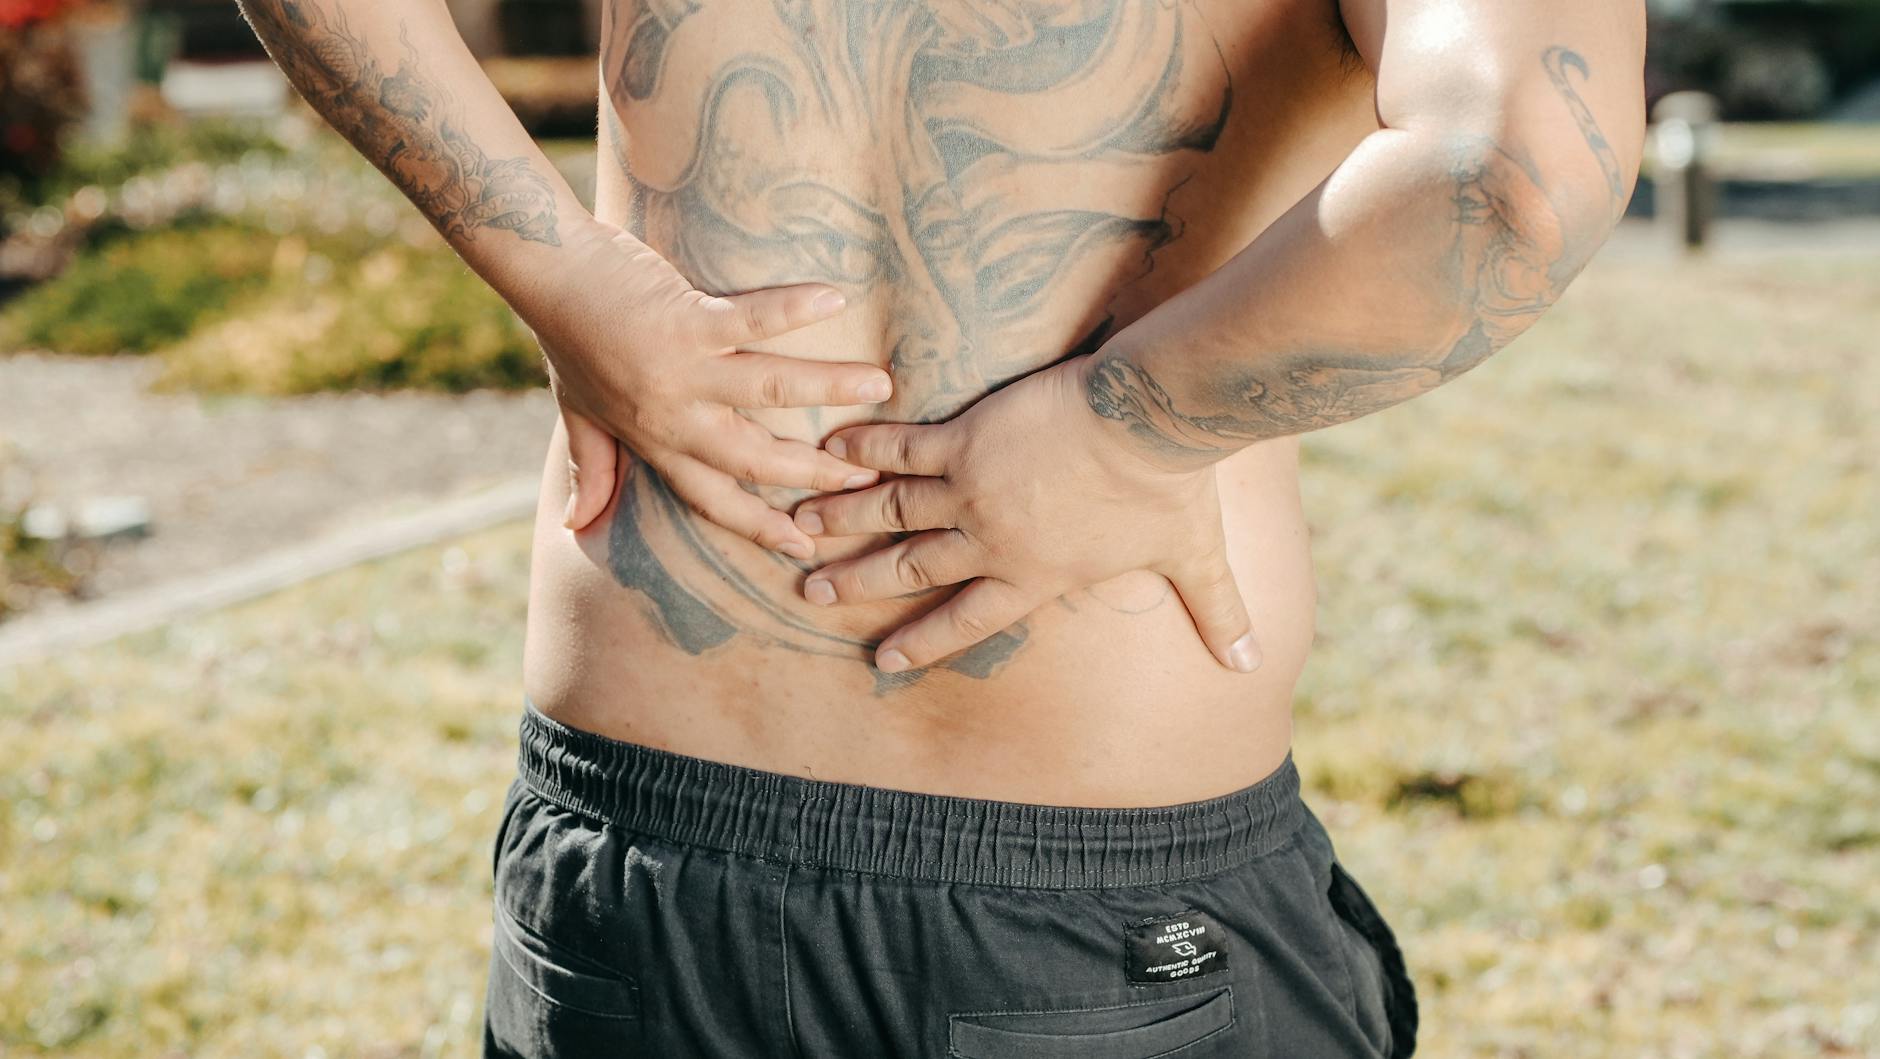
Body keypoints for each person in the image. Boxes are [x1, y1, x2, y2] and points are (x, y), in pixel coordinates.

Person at [240, 0, 1644, 1054]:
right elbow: (1510, 179)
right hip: (1089, 900)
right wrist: (1126, 426)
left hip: (633, 845)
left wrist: (564, 275)